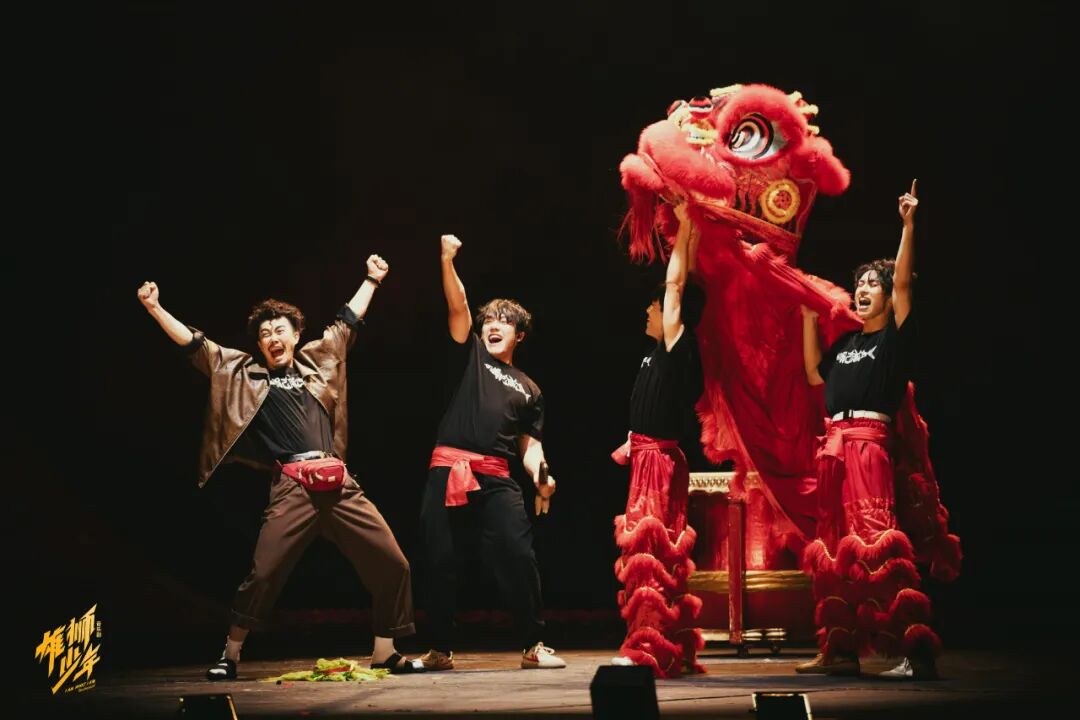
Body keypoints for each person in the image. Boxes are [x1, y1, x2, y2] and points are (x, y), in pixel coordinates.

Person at [136, 253, 423, 680]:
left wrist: (372, 279)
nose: (272, 337)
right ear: (259, 344)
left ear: (296, 335)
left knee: (394, 563)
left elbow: (346, 322)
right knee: (264, 574)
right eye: (265, 333)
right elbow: (197, 346)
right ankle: (230, 654)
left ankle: (385, 651)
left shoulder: (318, 361)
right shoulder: (243, 373)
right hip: (292, 486)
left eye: (280, 330)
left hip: (338, 482)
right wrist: (155, 308)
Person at [796, 181, 942, 680]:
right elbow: (814, 374)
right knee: (834, 548)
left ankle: (915, 651)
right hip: (834, 450)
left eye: (872, 284)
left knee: (877, 543)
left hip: (867, 449)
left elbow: (903, 286)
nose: (862, 289)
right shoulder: (846, 344)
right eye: (858, 283)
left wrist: (908, 226)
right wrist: (808, 318)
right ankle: (839, 649)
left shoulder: (893, 339)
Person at [418, 234, 564, 671]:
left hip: (497, 478)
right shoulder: (471, 357)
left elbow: (530, 445)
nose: (493, 325)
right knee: (440, 559)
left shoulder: (530, 389)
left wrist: (542, 477)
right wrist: (447, 260)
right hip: (448, 470)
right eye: (489, 321)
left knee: (518, 556)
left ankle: (533, 645)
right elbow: (458, 305)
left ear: (520, 334)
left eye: (504, 321)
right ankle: (439, 650)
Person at [611, 201, 706, 678]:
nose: (649, 310)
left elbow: (675, 286)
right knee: (650, 553)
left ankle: (647, 650)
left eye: (655, 305)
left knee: (649, 554)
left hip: (658, 464)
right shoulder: (656, 353)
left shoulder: (676, 346)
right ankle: (668, 646)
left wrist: (684, 229)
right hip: (647, 460)